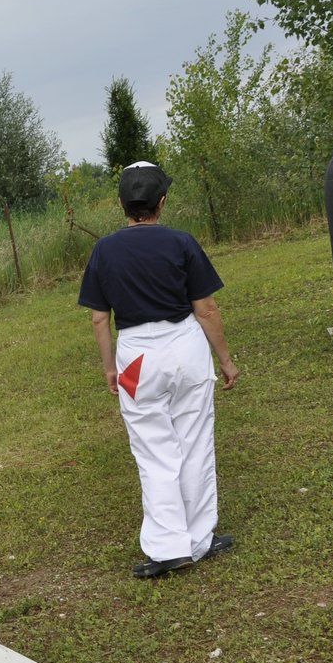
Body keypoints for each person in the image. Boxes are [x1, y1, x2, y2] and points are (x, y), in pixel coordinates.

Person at [78, 161, 240, 578]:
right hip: (186, 349)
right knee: (195, 443)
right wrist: (224, 359)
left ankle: (169, 547)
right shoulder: (182, 242)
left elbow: (99, 318)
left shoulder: (104, 251)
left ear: (122, 205)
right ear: (162, 202)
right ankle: (199, 540)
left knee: (153, 451)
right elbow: (205, 308)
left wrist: (110, 367)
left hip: (135, 357)